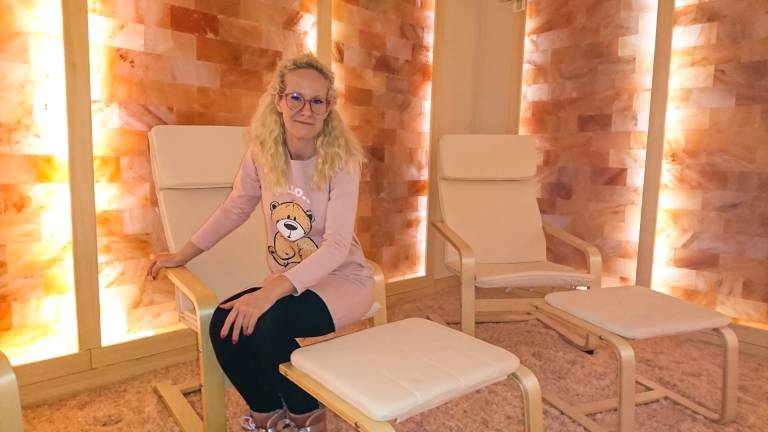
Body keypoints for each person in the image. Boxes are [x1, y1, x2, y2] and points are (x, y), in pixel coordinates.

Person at [147, 53, 373, 432]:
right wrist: (181, 254)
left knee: (265, 324)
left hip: (342, 281)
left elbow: (336, 246)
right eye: (296, 98)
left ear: (329, 107)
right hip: (290, 283)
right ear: (279, 100)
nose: (306, 109)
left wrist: (270, 292)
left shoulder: (342, 161)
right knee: (224, 322)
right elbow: (235, 208)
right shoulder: (262, 153)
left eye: (317, 101)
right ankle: (267, 415)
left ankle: (308, 417)